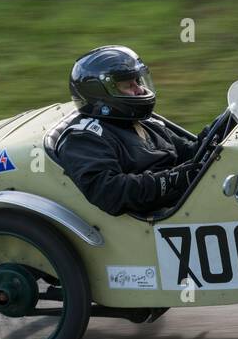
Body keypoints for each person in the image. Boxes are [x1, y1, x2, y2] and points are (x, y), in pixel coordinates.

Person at [48, 46, 213, 215]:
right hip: (158, 219)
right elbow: (111, 193)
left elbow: (190, 153)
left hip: (187, 201)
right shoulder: (83, 139)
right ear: (100, 93)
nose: (140, 90)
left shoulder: (143, 122)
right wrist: (171, 180)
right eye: (128, 85)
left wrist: (215, 134)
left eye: (137, 81)